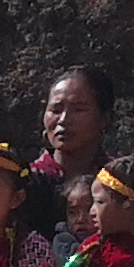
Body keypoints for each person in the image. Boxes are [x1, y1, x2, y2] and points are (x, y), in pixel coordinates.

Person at [36, 65, 116, 194]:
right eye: (56, 110)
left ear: (104, 119)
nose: (63, 120)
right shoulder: (22, 183)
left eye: (78, 110)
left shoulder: (119, 184)